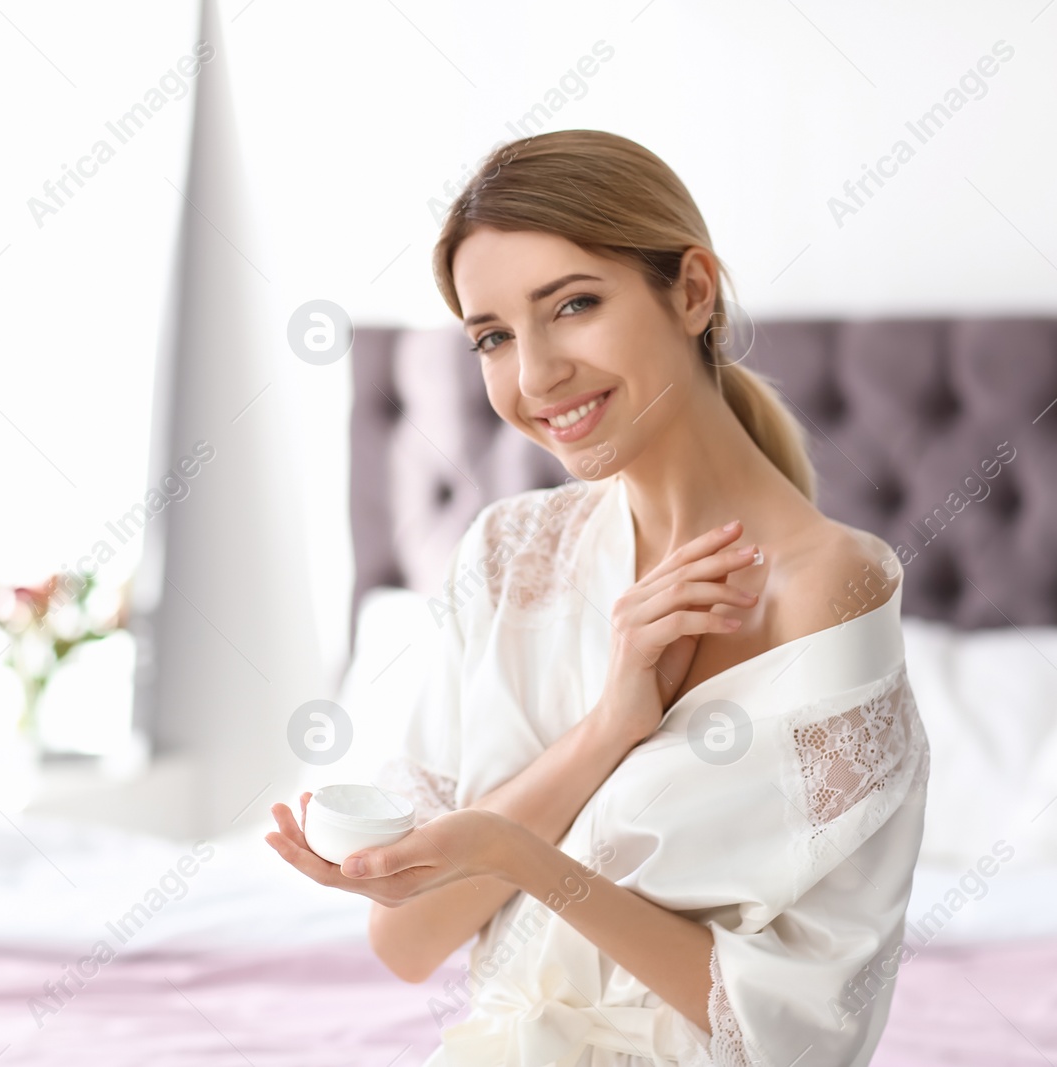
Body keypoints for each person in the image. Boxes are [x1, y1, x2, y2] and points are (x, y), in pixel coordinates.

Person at [266, 129, 930, 1067]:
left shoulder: (828, 587)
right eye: (493, 336)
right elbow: (406, 940)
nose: (535, 377)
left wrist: (515, 852)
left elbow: (807, 1035)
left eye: (572, 305)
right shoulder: (508, 555)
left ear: (692, 292)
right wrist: (608, 727)